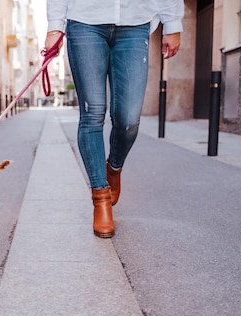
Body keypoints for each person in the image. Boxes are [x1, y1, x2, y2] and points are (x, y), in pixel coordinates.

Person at [45, 0, 184, 238]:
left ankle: (114, 167)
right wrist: (55, 26)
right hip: (84, 20)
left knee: (128, 118)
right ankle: (101, 198)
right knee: (92, 112)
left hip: (135, 21)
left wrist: (172, 22)